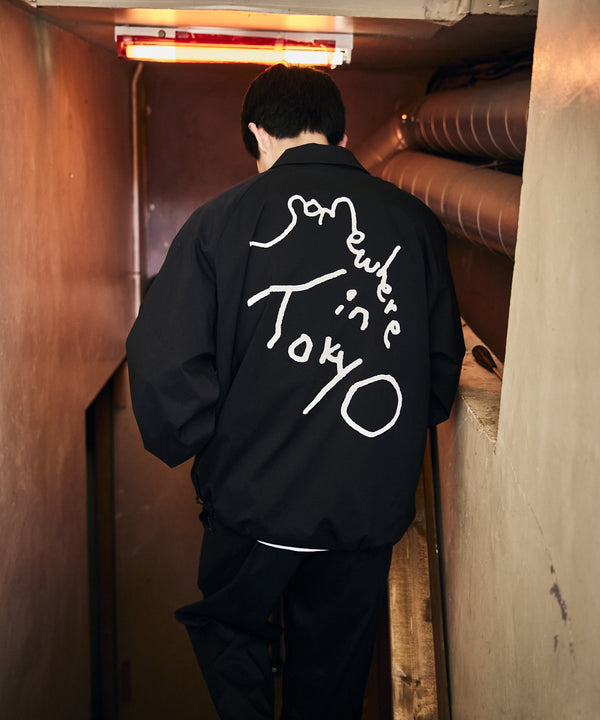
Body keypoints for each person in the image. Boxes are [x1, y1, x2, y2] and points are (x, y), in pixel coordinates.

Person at [126, 63, 465, 720]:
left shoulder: (219, 222)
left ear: (256, 133)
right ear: (340, 134)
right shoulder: (414, 223)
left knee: (229, 633)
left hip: (252, 508)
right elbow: (438, 372)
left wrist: (202, 441)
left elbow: (162, 360)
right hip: (365, 513)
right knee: (332, 683)